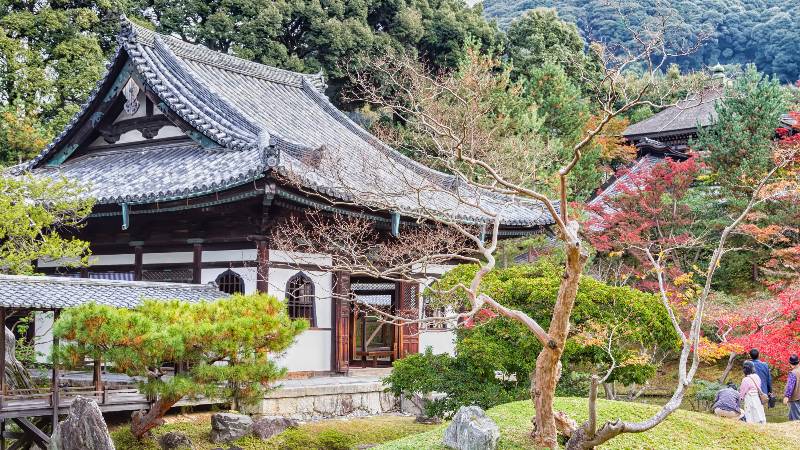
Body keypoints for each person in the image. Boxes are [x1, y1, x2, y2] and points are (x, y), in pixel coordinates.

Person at [782, 354, 800, 421]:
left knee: (796, 419)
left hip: (795, 398)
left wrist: (786, 397)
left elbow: (790, 386)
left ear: (791, 363)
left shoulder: (793, 373)